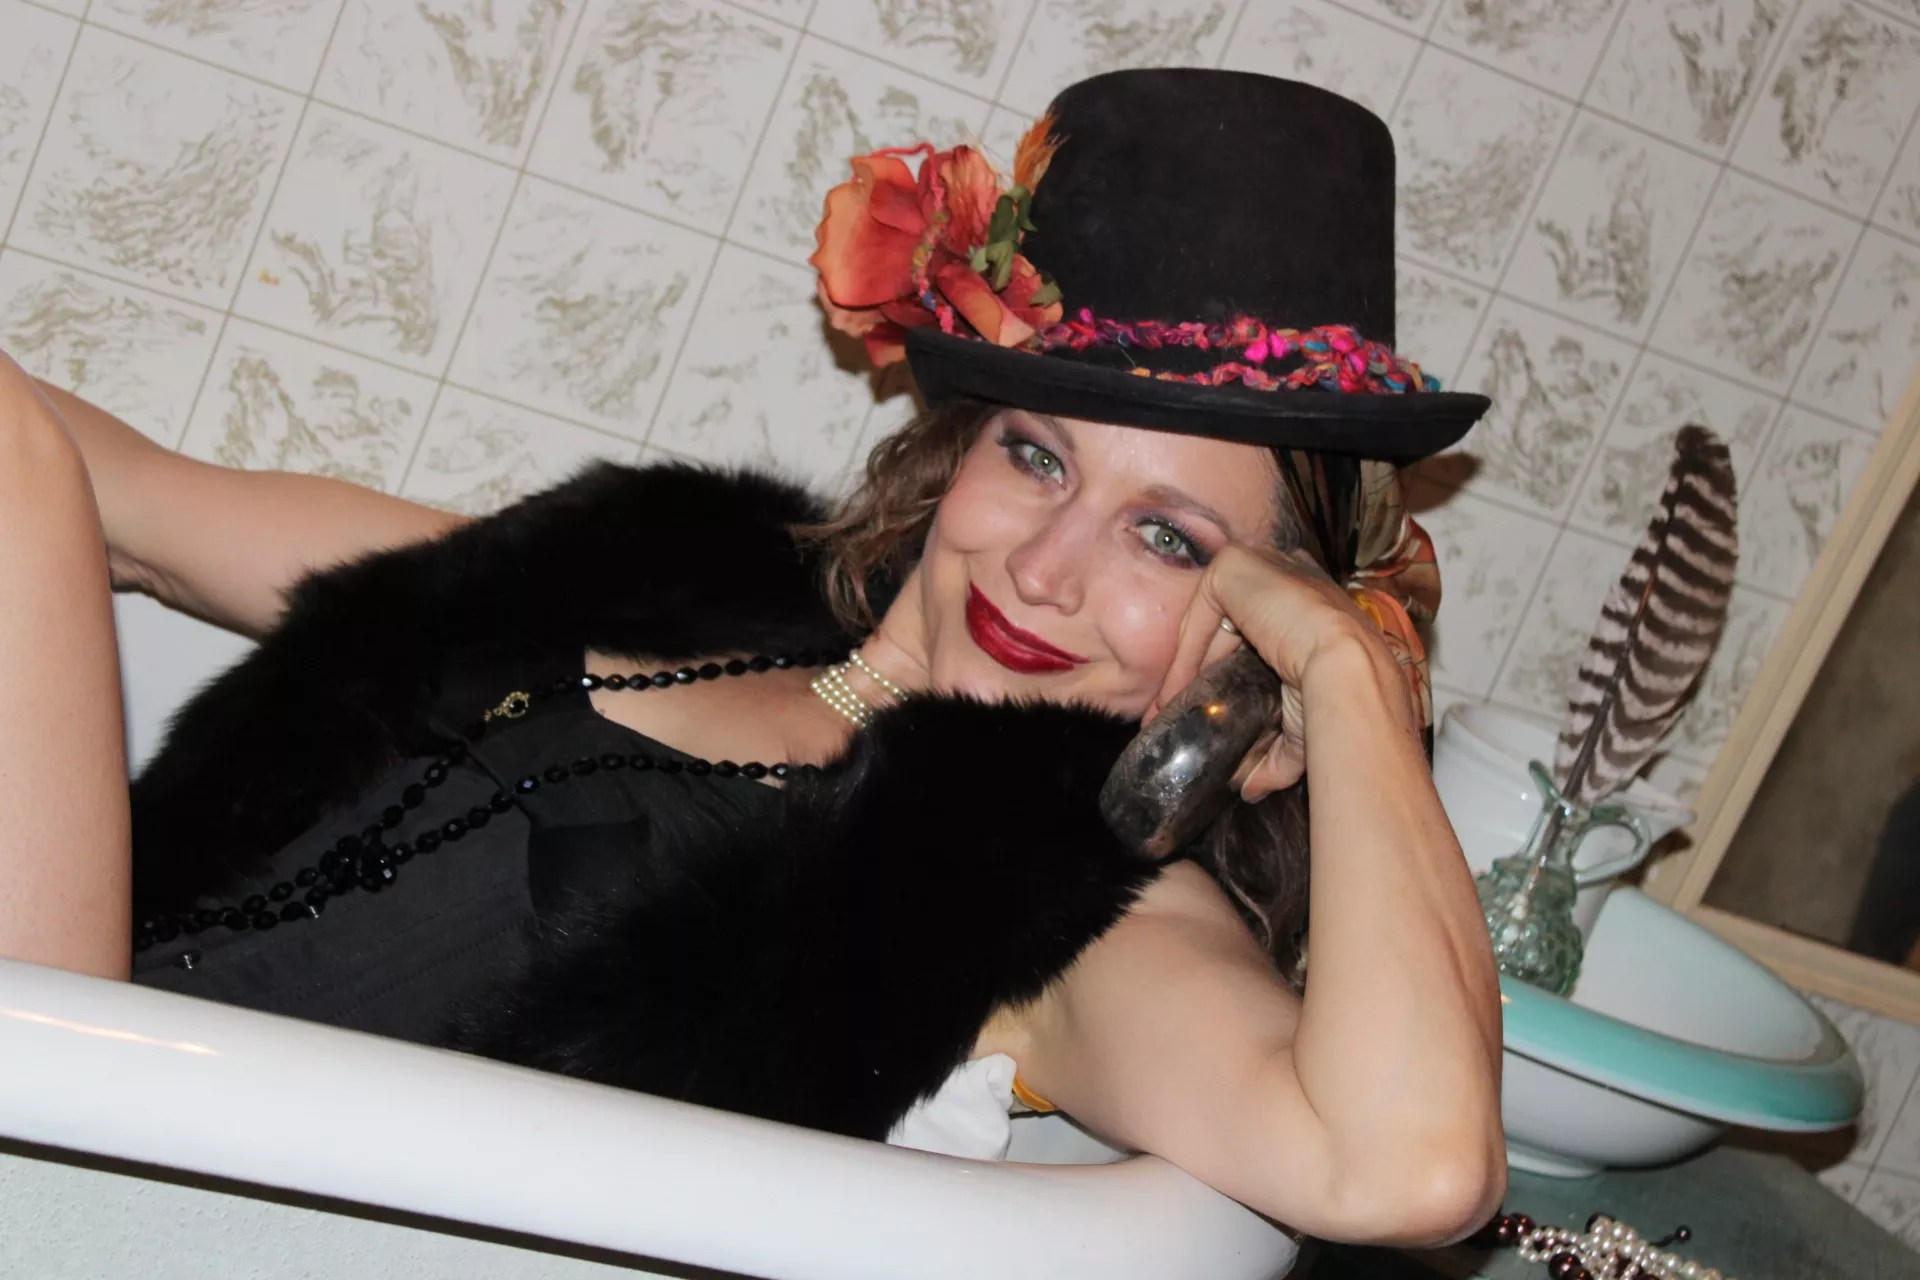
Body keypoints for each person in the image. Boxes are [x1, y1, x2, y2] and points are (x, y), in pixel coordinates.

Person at [0, 70, 1504, 1247]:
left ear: (1255, 645)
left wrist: (1351, 686)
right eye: (1037, 456)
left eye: (1167, 540)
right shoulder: (670, 579)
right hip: (81, 1050)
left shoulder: (1056, 910)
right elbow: (131, 506)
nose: (1046, 568)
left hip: (125, 1198)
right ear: (958, 450)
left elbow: (1411, 1167)